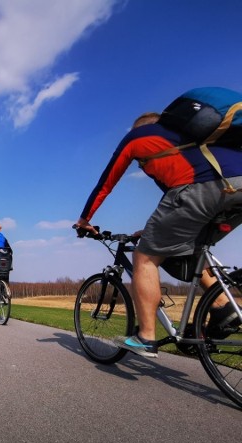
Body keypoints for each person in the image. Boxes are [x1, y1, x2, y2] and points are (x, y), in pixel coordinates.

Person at [75, 111, 242, 358]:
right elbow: (171, 194)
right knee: (193, 249)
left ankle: (146, 337)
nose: (142, 166)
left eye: (142, 163)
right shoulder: (187, 141)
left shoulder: (137, 136)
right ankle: (222, 307)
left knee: (144, 257)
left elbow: (106, 182)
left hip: (205, 188)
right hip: (235, 189)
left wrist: (84, 219)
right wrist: (151, 228)